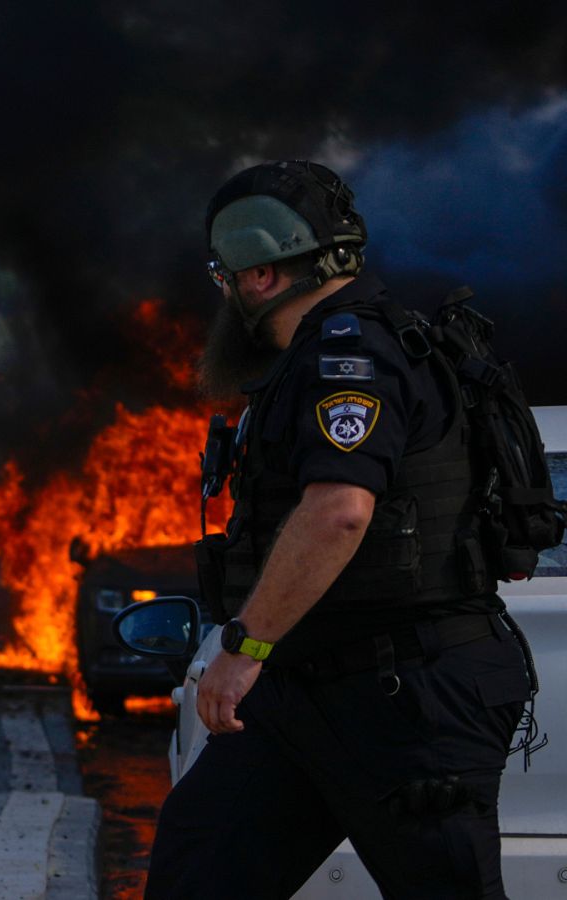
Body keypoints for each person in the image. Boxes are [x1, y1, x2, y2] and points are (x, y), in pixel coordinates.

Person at [146, 160, 534, 899]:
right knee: (198, 872)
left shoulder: (347, 357)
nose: (223, 293)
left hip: (407, 696)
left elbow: (338, 511)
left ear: (259, 276)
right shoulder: (320, 357)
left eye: (222, 275)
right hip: (307, 694)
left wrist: (245, 646)